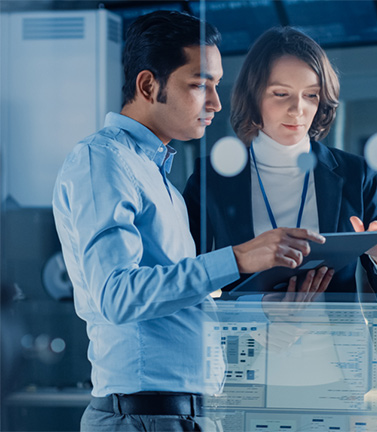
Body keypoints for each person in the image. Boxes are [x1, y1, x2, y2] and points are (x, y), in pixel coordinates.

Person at [52, 11, 332, 430]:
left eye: (217, 85)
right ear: (149, 85)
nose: (216, 103)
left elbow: (177, 313)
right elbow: (116, 296)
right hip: (144, 416)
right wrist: (237, 258)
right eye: (201, 85)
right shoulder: (103, 160)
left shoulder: (158, 178)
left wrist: (260, 326)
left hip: (182, 414)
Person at [183, 26, 377, 305]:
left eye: (311, 95)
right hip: (251, 343)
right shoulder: (212, 178)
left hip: (337, 345)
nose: (298, 110)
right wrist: (257, 311)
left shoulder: (354, 174)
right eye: (281, 94)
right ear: (254, 96)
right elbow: (185, 285)